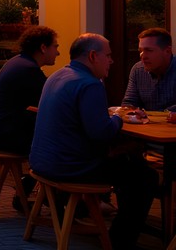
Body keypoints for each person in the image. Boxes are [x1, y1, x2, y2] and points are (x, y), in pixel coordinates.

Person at [30, 34, 156, 249]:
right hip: (68, 167)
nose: (112, 61)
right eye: (107, 55)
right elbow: (101, 134)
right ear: (92, 56)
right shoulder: (89, 84)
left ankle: (95, 216)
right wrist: (119, 118)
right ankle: (121, 240)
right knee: (144, 175)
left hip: (41, 162)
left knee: (128, 161)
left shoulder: (57, 75)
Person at [0, 25, 59, 156]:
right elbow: (51, 101)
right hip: (11, 137)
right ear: (43, 48)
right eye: (55, 47)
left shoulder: (19, 62)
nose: (58, 52)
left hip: (1, 133)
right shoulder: (28, 69)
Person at [122, 27, 176, 112]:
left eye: (149, 50)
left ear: (167, 51)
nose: (142, 55)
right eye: (140, 51)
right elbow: (129, 103)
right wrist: (131, 111)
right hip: (146, 124)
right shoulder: (138, 70)